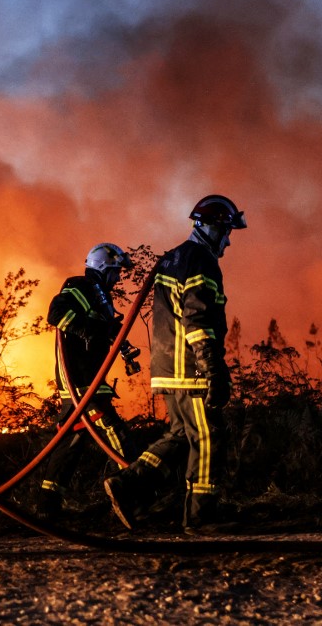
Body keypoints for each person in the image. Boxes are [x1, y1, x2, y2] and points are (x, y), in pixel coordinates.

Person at [104, 195, 246, 534]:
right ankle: (200, 517)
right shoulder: (200, 260)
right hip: (190, 369)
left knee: (182, 434)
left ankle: (127, 485)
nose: (227, 240)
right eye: (226, 231)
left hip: (168, 368)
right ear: (211, 227)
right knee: (208, 436)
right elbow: (197, 319)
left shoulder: (176, 258)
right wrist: (212, 368)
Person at [35, 243, 141, 518]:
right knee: (113, 429)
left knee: (73, 439)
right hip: (80, 379)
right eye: (115, 271)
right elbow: (56, 312)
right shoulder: (79, 286)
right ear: (103, 268)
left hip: (90, 377)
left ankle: (48, 505)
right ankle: (137, 492)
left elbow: (103, 327)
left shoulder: (100, 296)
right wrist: (85, 330)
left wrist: (119, 341)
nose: (118, 278)